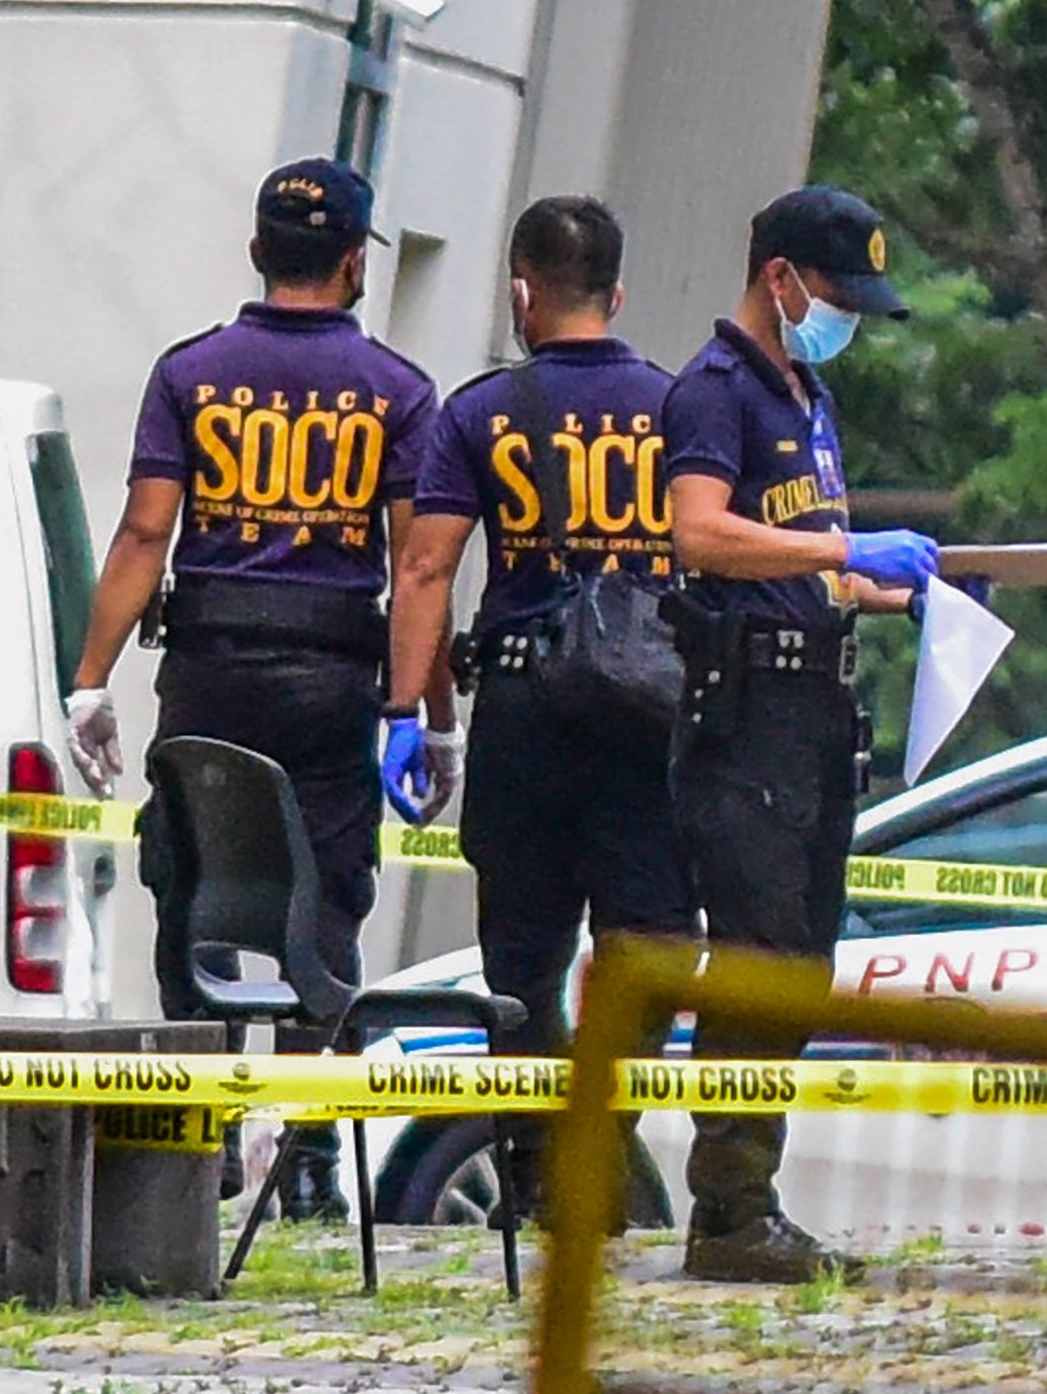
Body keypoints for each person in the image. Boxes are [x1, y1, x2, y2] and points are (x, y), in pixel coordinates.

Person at [62, 157, 438, 1223]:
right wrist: (412, 709)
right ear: (356, 259)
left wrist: (91, 678)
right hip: (331, 674)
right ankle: (308, 1150)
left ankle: (206, 1134)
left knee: (196, 885)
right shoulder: (399, 392)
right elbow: (417, 565)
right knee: (324, 900)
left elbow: (146, 531)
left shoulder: (191, 373)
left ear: (258, 250)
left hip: (211, 668)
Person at [385, 195, 696, 1230]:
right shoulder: (679, 404)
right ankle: (599, 1146)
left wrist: (412, 715)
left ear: (523, 289)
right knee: (646, 940)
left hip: (525, 706)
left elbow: (427, 564)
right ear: (618, 292)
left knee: (524, 954)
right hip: (653, 707)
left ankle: (533, 1173)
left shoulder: (479, 412)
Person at [657, 186, 941, 1284]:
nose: (845, 315)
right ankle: (726, 1210)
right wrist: (842, 554)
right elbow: (699, 531)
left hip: (816, 706)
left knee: (801, 966)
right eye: (834, 291)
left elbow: (802, 558)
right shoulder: (716, 390)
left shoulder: (805, 393)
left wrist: (883, 588)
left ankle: (753, 1197)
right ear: (779, 277)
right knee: (759, 962)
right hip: (749, 721)